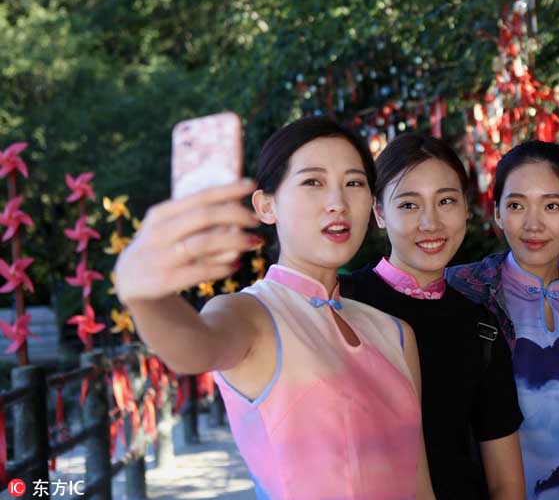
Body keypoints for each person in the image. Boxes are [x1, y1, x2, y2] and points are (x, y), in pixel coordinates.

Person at [113, 117, 434, 500]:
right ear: (267, 206)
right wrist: (145, 297)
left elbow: (420, 486)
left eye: (354, 183)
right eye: (313, 182)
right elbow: (192, 347)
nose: (338, 202)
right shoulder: (252, 315)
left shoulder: (395, 333)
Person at [339, 133, 526, 499]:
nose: (431, 223)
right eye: (409, 205)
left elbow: (507, 484)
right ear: (379, 212)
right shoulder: (340, 303)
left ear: (466, 208)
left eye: (446, 201)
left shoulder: (482, 328)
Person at [446, 141, 559, 500]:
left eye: (552, 205)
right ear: (498, 213)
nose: (534, 224)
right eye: (517, 205)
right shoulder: (461, 290)